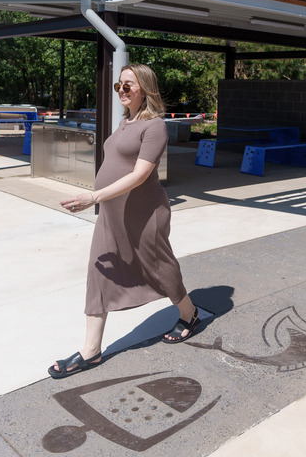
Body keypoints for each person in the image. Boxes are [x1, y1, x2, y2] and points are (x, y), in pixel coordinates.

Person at [50, 63, 201, 379]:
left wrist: (94, 196)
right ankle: (91, 351)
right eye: (119, 85)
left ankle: (189, 314)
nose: (121, 90)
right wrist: (101, 199)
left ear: (145, 88)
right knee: (99, 269)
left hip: (144, 213)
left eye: (128, 85)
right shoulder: (124, 123)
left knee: (158, 267)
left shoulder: (154, 126)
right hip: (111, 212)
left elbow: (141, 173)